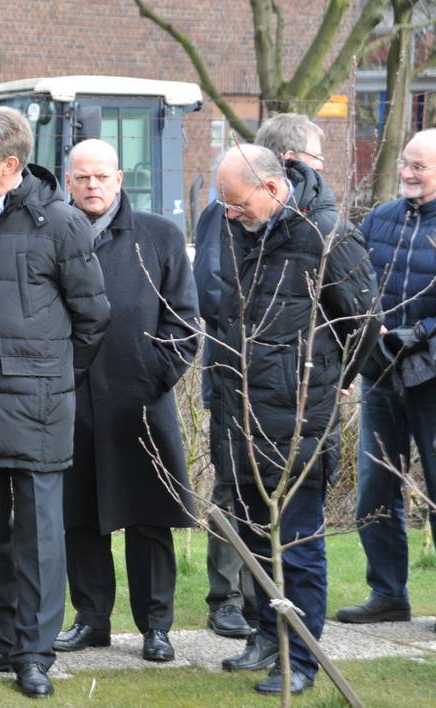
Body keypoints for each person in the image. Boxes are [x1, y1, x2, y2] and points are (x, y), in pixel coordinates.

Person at [0, 106, 110, 698]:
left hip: (37, 410)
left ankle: (34, 653)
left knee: (39, 539)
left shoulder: (60, 224)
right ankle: (0, 640)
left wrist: (50, 378)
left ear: (9, 164)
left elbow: (93, 318)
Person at [210, 144, 376, 695]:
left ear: (273, 189)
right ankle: (267, 637)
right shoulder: (245, 229)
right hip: (242, 413)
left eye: (237, 203)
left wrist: (333, 383)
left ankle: (300, 659)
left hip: (299, 419)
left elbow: (365, 322)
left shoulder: (328, 238)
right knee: (258, 538)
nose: (230, 214)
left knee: (298, 546)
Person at [54, 139, 199, 663]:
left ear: (119, 179)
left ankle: (156, 626)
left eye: (101, 176)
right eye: (82, 177)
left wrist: (150, 376)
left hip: (140, 404)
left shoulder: (159, 236)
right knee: (79, 517)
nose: (92, 185)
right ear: (68, 182)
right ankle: (91, 619)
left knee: (148, 517)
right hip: (70, 403)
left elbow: (184, 323)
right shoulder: (53, 234)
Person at [193, 113, 327, 643]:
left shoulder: (316, 230)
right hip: (235, 376)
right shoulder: (227, 216)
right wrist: (249, 329)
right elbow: (210, 287)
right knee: (234, 493)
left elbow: (352, 318)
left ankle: (273, 625)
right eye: (314, 157)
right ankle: (230, 600)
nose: (319, 167)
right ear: (289, 161)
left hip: (289, 394)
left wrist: (330, 371)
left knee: (286, 520)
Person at [337, 128, 436, 627]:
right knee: (375, 488)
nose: (407, 173)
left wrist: (418, 332)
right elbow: (355, 284)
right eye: (404, 163)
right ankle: (388, 594)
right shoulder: (378, 219)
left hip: (431, 378)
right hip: (380, 373)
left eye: (419, 166)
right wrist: (365, 332)